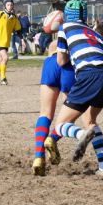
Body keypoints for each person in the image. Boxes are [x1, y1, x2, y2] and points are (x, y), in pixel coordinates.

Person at [51, 0, 103, 179]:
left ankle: (81, 135)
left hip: (90, 75)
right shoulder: (95, 33)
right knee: (90, 120)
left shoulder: (65, 28)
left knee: (61, 124)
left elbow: (61, 60)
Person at [32, 40, 76, 176]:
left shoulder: (59, 36)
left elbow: (51, 47)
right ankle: (52, 139)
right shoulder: (82, 31)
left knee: (45, 113)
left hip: (52, 62)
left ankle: (39, 157)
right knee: (71, 114)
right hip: (70, 66)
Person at [0, 0, 21, 85]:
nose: (10, 7)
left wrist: (22, 40)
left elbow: (18, 30)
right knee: (6, 58)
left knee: (0, 59)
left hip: (6, 42)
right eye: (8, 5)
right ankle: (3, 77)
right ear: (5, 6)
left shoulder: (14, 17)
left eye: (11, 5)